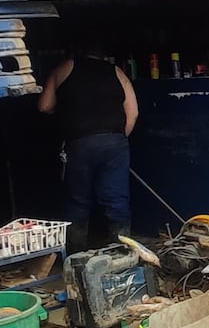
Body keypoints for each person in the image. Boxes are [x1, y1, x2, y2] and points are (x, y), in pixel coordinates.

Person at [38, 48, 139, 252]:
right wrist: (118, 138)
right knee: (116, 198)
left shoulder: (63, 69)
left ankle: (76, 253)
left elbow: (44, 106)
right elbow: (133, 112)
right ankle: (122, 250)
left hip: (80, 143)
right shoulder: (118, 72)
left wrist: (68, 108)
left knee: (78, 199)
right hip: (115, 142)